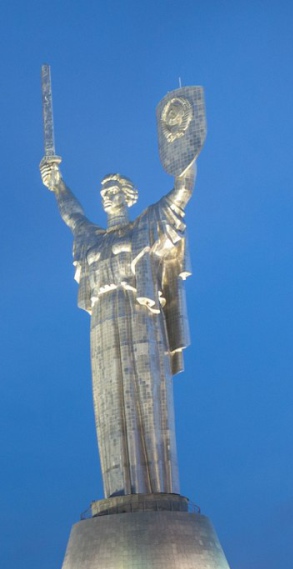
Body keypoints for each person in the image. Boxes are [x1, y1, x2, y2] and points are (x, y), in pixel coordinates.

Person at [40, 156, 197, 499]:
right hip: (102, 327)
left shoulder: (146, 226)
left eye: (115, 190)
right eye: (104, 191)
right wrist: (57, 184)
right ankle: (119, 494)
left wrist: (185, 152)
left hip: (141, 319)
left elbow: (182, 192)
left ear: (129, 196)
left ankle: (156, 490)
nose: (108, 195)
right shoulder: (91, 240)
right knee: (110, 405)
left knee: (145, 398)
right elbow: (72, 215)